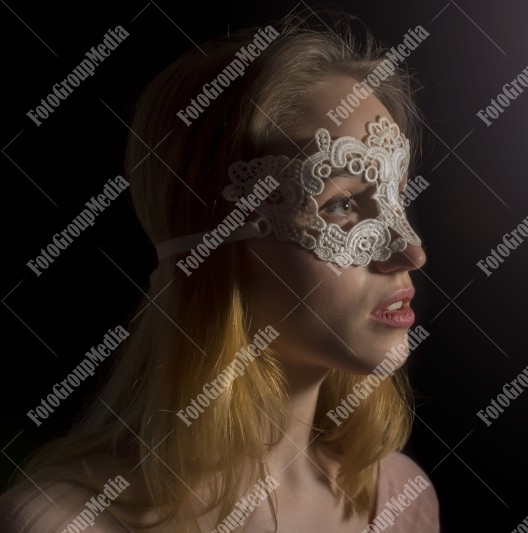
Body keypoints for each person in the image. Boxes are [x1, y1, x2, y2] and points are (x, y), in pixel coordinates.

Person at [0, 8, 439, 532]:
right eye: (342, 205)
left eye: (396, 198)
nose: (410, 252)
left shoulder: (398, 500)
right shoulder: (61, 522)